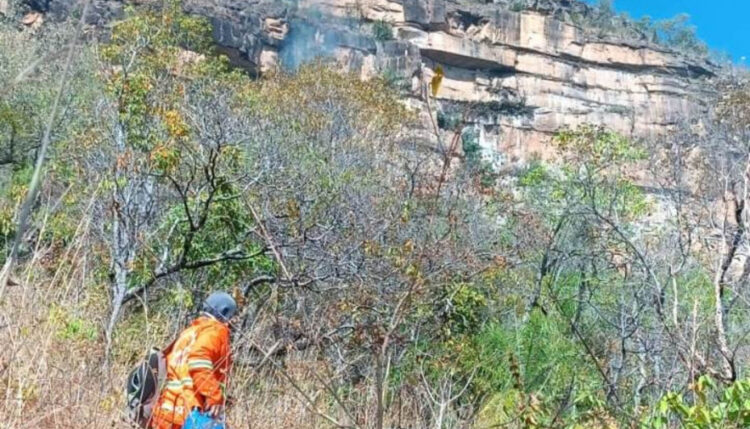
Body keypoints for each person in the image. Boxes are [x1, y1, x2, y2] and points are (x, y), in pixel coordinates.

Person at [149, 291, 236, 429]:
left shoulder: (188, 332)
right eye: (232, 315)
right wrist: (214, 396)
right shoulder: (215, 330)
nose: (233, 321)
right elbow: (199, 360)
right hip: (191, 411)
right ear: (225, 311)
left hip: (166, 411)